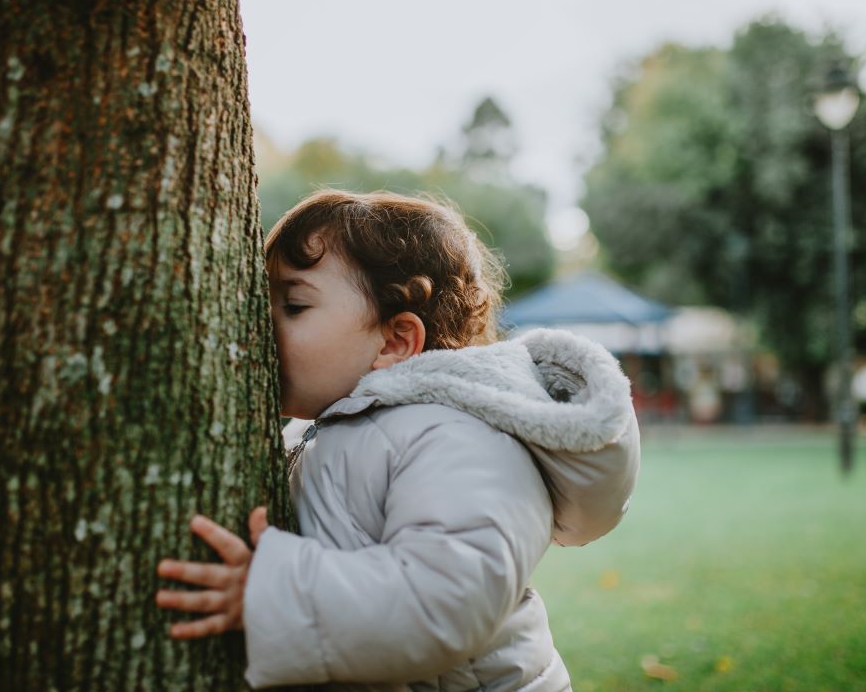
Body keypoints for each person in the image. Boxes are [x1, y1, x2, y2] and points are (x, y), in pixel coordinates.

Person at [155, 190, 640, 691]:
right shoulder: (321, 429)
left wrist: (275, 592)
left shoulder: (458, 436)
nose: (260, 323)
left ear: (394, 340)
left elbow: (446, 603)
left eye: (294, 305)